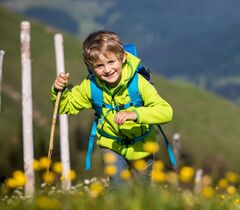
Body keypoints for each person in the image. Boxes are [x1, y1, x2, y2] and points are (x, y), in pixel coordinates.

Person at [51, 30, 173, 188]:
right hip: (111, 144)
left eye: (111, 62)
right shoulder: (91, 86)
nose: (107, 70)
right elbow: (64, 106)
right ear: (91, 67)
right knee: (119, 187)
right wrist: (58, 90)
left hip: (142, 146)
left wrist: (135, 114)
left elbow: (166, 111)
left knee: (142, 194)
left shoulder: (138, 83)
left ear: (122, 58)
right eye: (99, 66)